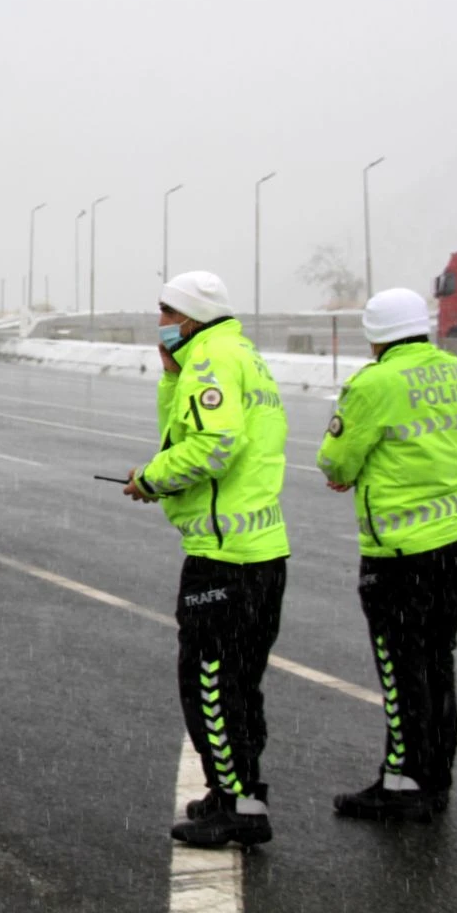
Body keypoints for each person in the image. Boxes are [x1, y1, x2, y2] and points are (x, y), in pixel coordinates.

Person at [122, 271, 290, 847]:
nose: (163, 324)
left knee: (210, 679)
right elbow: (194, 430)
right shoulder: (241, 353)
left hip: (225, 556)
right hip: (261, 552)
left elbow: (213, 445)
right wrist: (171, 380)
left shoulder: (212, 360)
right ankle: (235, 791)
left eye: (168, 313)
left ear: (190, 316)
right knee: (242, 680)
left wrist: (151, 479)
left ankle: (238, 805)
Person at [317, 287, 457, 822]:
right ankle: (436, 776)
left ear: (375, 336)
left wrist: (347, 471)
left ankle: (404, 782)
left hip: (399, 554)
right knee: (438, 662)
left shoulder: (375, 382)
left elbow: (336, 461)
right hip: (455, 546)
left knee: (401, 668)